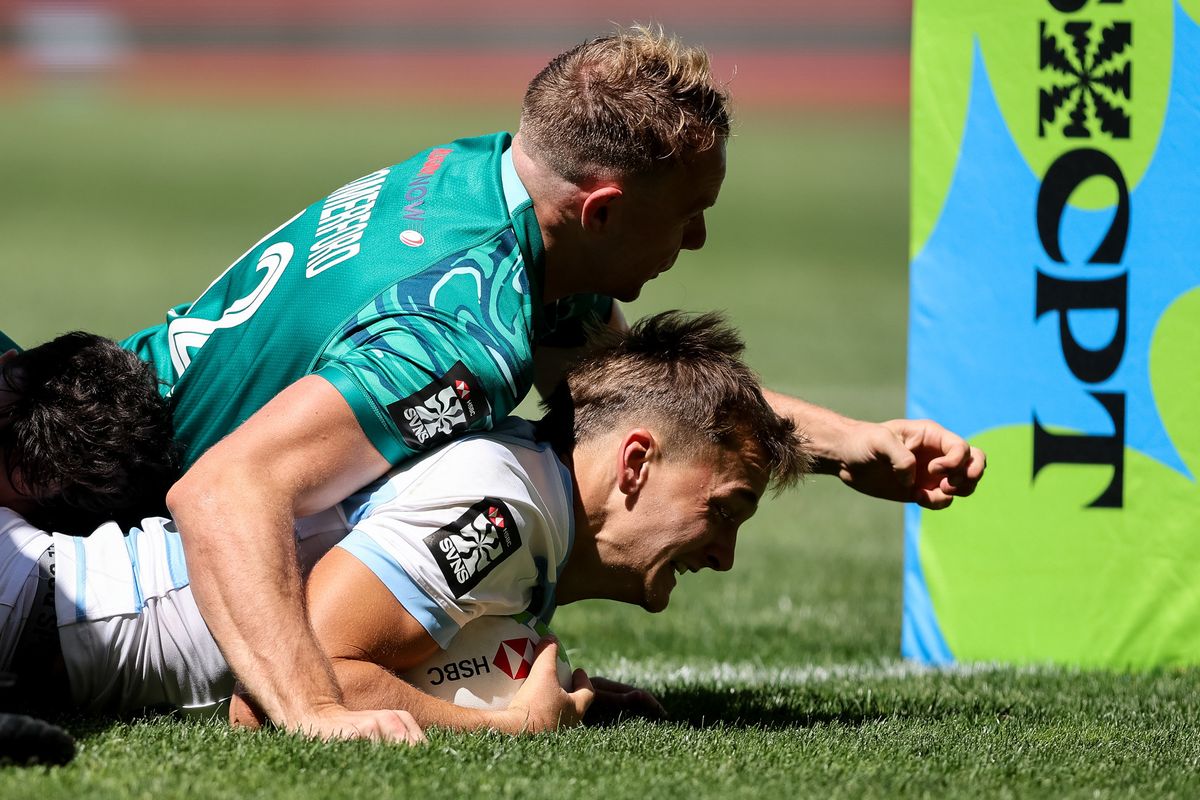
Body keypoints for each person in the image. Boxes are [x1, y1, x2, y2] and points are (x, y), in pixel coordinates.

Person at [117, 27, 984, 740]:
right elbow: (226, 489)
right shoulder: (463, 329)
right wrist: (313, 708)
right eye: (688, 217)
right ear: (602, 211)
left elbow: (642, 394)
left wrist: (844, 444)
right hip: (78, 506)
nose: (698, 245)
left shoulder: (488, 194)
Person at [0, 312, 806, 739]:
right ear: (634, 464)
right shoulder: (504, 512)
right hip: (33, 609)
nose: (726, 556)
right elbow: (285, 691)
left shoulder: (523, 495)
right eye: (724, 509)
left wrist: (558, 691)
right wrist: (505, 726)